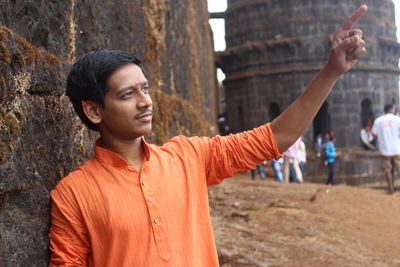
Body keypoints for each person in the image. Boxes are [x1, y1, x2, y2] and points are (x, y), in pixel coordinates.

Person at [48, 5, 367, 266]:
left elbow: (276, 137)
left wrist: (331, 71)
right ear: (93, 110)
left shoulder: (188, 157)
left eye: (145, 88)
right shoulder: (73, 194)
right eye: (127, 94)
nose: (145, 101)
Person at [371, 104, 400, 194]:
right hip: (396, 149)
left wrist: (382, 136)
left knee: (387, 171)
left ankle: (390, 190)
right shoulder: (397, 119)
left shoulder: (378, 121)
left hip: (385, 149)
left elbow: (373, 134)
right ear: (391, 109)